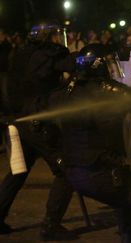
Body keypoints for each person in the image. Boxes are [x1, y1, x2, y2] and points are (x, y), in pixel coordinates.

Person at [57, 43, 131, 242]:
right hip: (99, 171)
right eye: (108, 63)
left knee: (128, 202)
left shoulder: (70, 90)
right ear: (98, 66)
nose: (111, 67)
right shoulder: (110, 92)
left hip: (73, 171)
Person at [0, 23, 76, 240]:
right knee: (66, 168)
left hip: (18, 119)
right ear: (46, 37)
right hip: (38, 122)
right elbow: (71, 64)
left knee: (19, 171)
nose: (57, 40)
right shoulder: (46, 55)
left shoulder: (19, 53)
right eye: (54, 36)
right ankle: (51, 224)